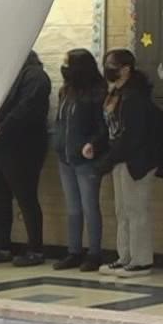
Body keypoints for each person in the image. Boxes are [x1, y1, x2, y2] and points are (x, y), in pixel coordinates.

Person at [0, 50, 51, 267]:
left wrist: (1, 127)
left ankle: (35, 249)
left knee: (26, 198)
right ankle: (2, 246)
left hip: (22, 145)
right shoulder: (4, 75)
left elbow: (27, 107)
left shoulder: (35, 76)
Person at [98, 49, 159, 278]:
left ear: (126, 68)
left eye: (112, 64)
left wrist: (107, 161)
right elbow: (111, 127)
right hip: (119, 158)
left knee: (136, 209)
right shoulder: (114, 93)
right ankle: (124, 256)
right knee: (121, 209)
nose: (108, 68)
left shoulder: (134, 96)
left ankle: (141, 260)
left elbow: (132, 134)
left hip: (137, 160)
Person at [54, 48, 109, 272]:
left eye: (68, 63)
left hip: (86, 158)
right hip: (64, 157)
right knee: (73, 209)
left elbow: (104, 127)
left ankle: (94, 252)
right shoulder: (65, 92)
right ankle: (74, 251)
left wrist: (93, 144)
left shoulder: (97, 93)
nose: (64, 68)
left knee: (90, 207)